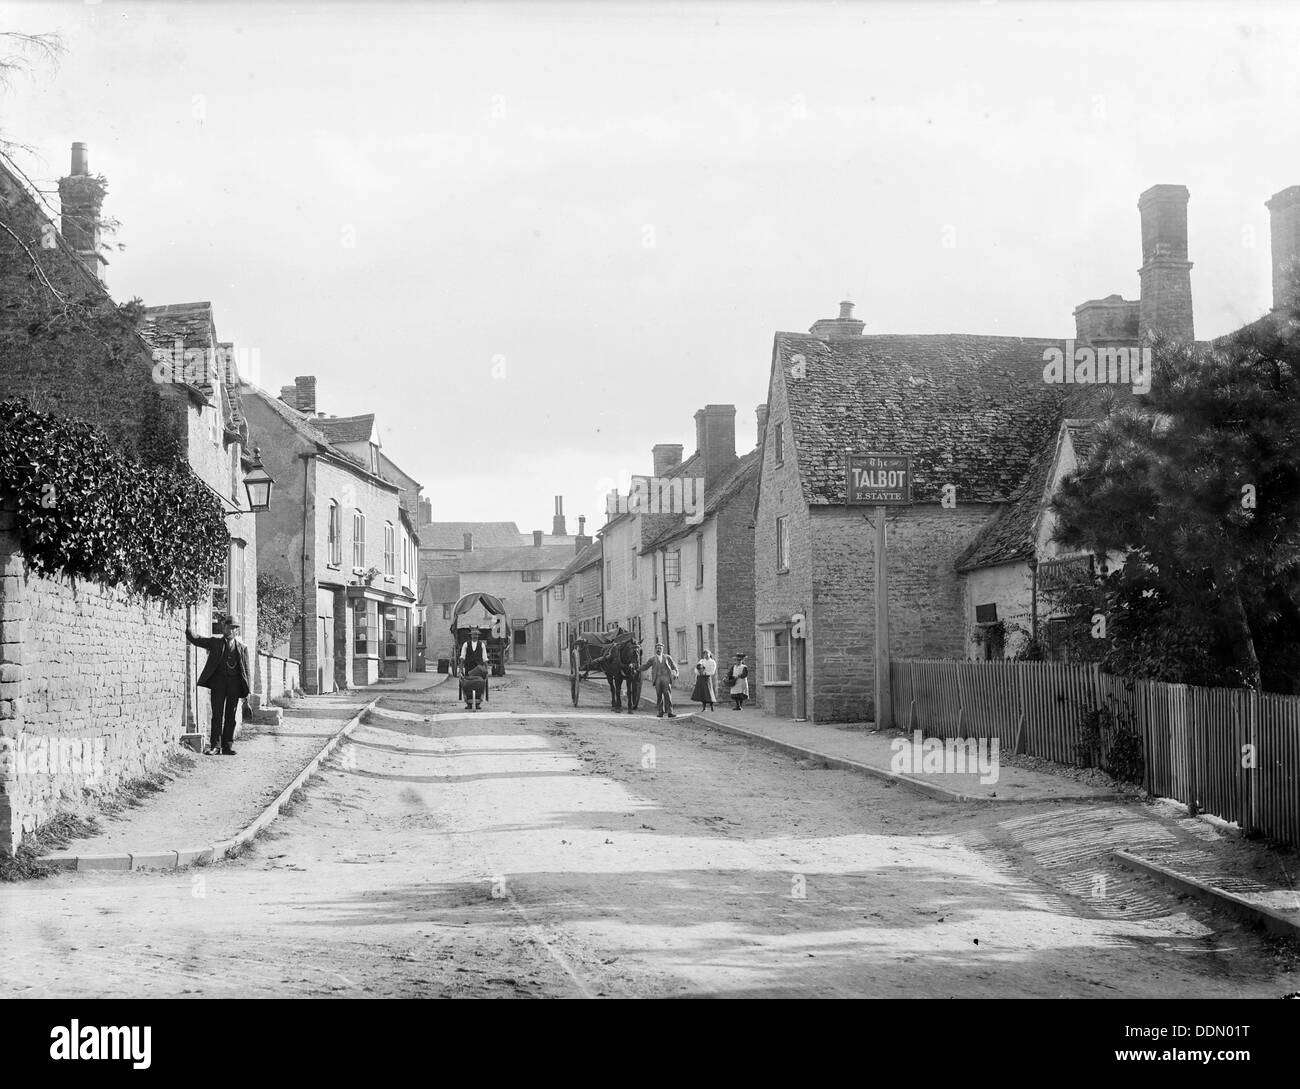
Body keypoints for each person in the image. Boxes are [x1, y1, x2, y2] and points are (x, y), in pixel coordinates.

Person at [185, 614, 251, 755]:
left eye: (234, 628)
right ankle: (215, 746)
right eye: (228, 627)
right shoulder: (215, 643)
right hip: (218, 684)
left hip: (234, 684)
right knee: (217, 714)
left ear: (237, 631)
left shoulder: (242, 648)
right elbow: (197, 640)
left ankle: (227, 746)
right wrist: (188, 628)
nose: (231, 630)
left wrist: (247, 692)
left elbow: (246, 671)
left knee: (230, 716)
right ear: (224, 628)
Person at [640, 642, 679, 718]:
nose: (659, 650)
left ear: (662, 649)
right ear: (655, 649)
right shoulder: (652, 659)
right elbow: (645, 666)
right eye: (657, 648)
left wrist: (676, 673)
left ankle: (670, 712)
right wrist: (637, 668)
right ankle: (660, 711)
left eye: (660, 648)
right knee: (659, 695)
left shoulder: (667, 657)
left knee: (667, 695)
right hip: (657, 679)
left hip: (666, 678)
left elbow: (674, 666)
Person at [460, 628, 489, 710]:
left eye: (476, 635)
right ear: (471, 635)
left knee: (479, 685)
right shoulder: (466, 644)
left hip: (478, 669)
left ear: (478, 636)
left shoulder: (482, 645)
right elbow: (462, 657)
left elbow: (485, 658)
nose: (475, 636)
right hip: (468, 668)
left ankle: (478, 703)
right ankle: (468, 703)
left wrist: (487, 670)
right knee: (467, 685)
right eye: (473, 635)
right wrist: (461, 670)